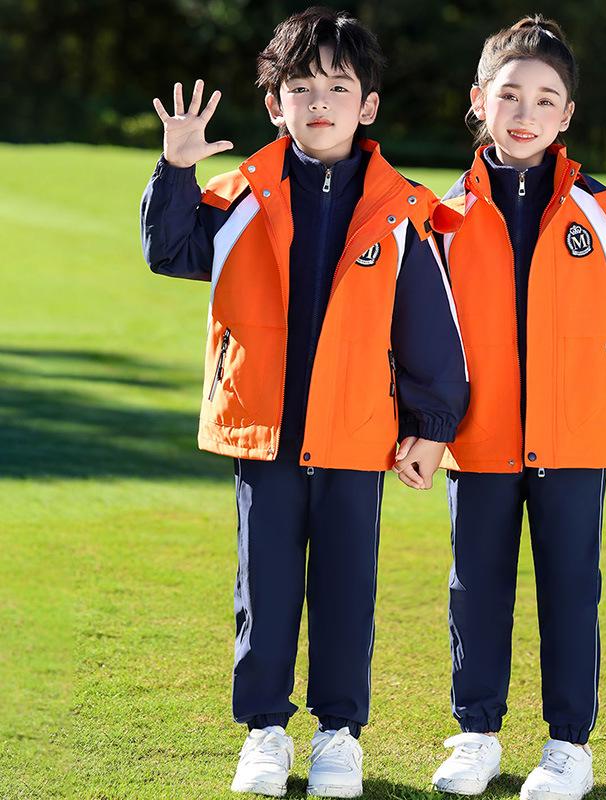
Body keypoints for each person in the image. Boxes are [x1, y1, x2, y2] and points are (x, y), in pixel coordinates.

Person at [140, 7, 469, 797]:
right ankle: (264, 733)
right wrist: (176, 169)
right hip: (266, 427)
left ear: (369, 105)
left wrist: (432, 426)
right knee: (267, 586)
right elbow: (170, 249)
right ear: (273, 103)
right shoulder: (240, 196)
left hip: (357, 432)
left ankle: (338, 736)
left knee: (347, 592)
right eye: (300, 86)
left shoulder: (403, 208)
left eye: (338, 86)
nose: (319, 101)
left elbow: (428, 325)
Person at [404, 14, 606, 800]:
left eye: (546, 99)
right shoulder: (442, 214)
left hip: (575, 437)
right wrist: (424, 428)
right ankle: (476, 736)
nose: (526, 113)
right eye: (510, 95)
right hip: (479, 438)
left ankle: (568, 748)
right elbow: (421, 334)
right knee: (476, 588)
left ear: (567, 115)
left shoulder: (601, 211)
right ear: (479, 99)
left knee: (570, 592)